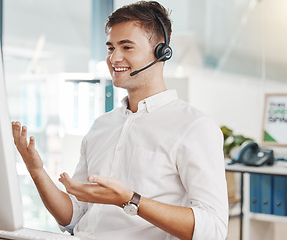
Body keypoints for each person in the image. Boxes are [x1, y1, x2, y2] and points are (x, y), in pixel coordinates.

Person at [12, 1, 228, 240]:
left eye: (127, 47)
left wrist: (130, 199)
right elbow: (73, 216)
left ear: (160, 52)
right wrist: (36, 170)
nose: (114, 58)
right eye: (110, 48)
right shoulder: (101, 126)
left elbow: (213, 229)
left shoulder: (194, 127)